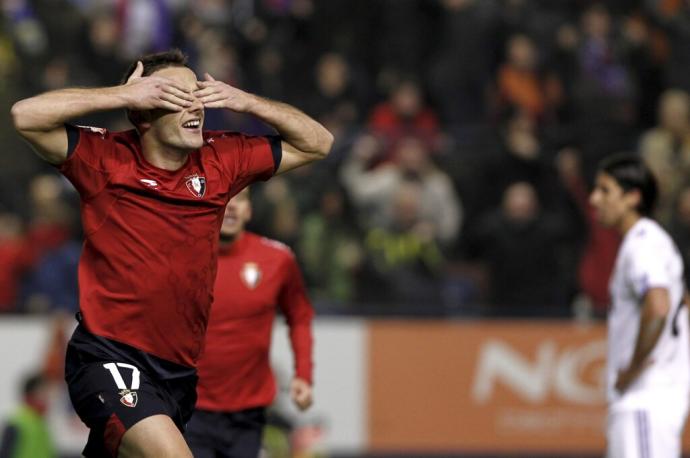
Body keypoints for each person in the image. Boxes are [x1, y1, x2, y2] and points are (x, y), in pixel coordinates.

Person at [10, 49, 333, 458]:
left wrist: (246, 101)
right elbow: (25, 115)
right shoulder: (104, 158)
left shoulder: (222, 158)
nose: (194, 103)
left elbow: (318, 143)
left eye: (195, 92)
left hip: (178, 374)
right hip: (109, 356)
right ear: (143, 112)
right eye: (175, 96)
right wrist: (120, 95)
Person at [184, 187, 314, 457]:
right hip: (189, 406)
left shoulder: (278, 259)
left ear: (249, 210)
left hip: (249, 413)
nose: (231, 206)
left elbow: (299, 316)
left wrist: (303, 374)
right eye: (224, 199)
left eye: (239, 200)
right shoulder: (180, 258)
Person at [589, 154, 689, 458]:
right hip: (651, 395)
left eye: (605, 190)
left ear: (633, 196)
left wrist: (632, 370)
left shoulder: (642, 242)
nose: (594, 199)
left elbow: (658, 306)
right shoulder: (649, 242)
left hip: (646, 395)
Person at [0, 372, 56, 458]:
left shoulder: (41, 424)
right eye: (43, 393)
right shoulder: (16, 424)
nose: (48, 399)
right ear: (29, 396)